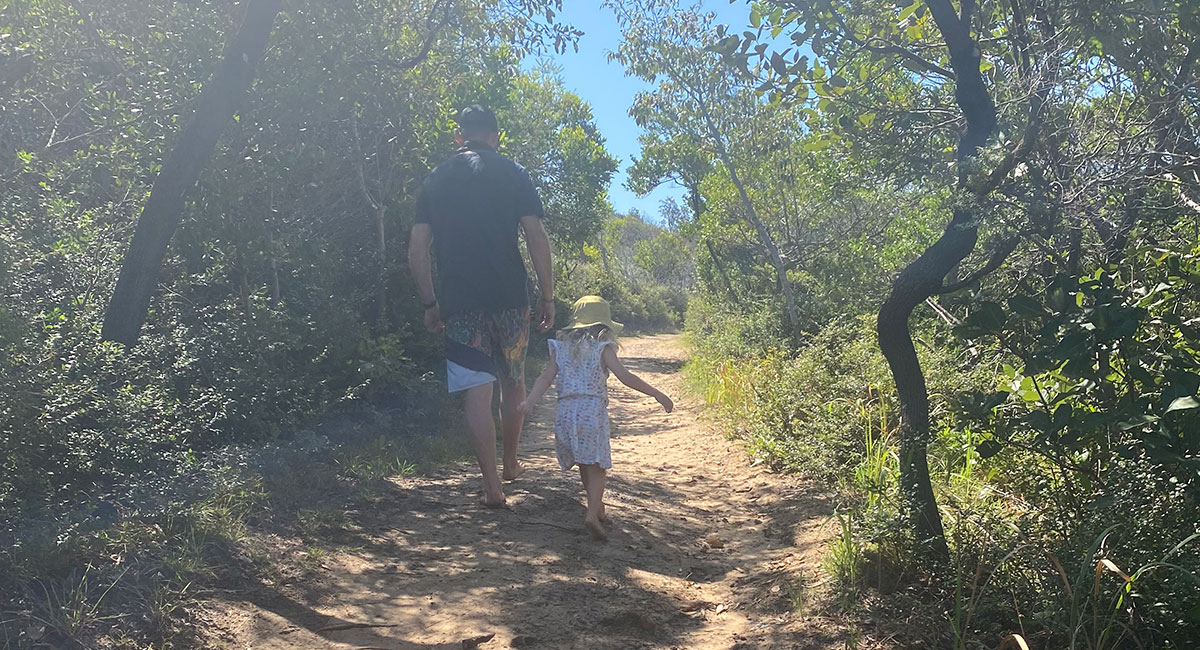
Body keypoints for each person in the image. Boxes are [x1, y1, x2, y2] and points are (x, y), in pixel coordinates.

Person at [408, 105, 555, 508]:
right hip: (510, 298)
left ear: (460, 136)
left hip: (460, 301)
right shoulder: (514, 173)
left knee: (477, 389)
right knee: (513, 380)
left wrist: (430, 302)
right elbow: (535, 236)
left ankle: (492, 487)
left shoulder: (435, 179)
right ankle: (510, 462)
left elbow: (417, 249)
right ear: (496, 136)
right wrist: (547, 295)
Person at [519, 296, 673, 540]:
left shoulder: (561, 348)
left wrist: (529, 402)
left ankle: (596, 506)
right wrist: (655, 393)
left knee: (584, 460)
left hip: (566, 412)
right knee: (598, 465)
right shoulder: (602, 347)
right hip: (591, 410)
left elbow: (545, 378)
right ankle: (592, 512)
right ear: (603, 325)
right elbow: (625, 376)